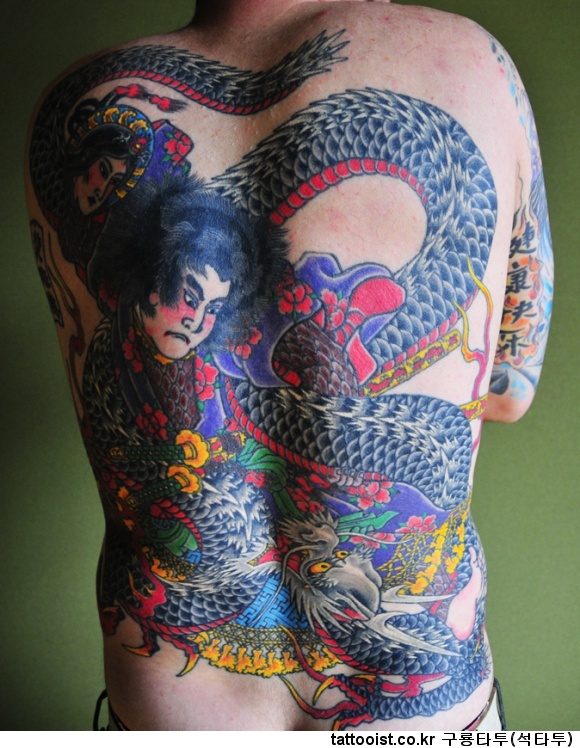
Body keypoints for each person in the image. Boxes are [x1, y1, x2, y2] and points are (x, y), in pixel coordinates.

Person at [25, 0, 553, 732]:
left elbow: (108, 390)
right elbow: (507, 387)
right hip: (415, 708)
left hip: (171, 709)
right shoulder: (472, 64)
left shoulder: (75, 106)